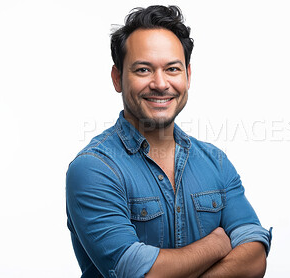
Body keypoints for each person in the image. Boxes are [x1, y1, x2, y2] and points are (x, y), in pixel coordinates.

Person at [66, 5, 272, 278]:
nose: (161, 83)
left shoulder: (216, 161)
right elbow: (136, 272)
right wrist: (215, 245)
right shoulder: (94, 169)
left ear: (188, 74)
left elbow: (255, 257)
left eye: (172, 69)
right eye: (143, 70)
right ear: (117, 78)